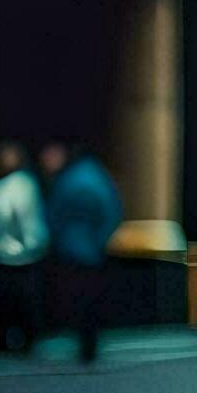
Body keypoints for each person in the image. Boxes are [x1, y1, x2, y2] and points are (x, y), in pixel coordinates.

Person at [42, 144, 122, 362]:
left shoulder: (67, 180)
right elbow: (112, 213)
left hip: (70, 250)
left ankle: (80, 341)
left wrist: (57, 241)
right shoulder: (98, 178)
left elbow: (53, 215)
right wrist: (101, 241)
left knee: (75, 297)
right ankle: (90, 344)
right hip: (93, 252)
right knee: (92, 299)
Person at [0, 141, 49, 351]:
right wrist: (36, 245)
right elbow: (30, 224)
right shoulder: (23, 185)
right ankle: (23, 341)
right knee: (22, 305)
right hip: (20, 256)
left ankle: (4, 341)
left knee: (4, 307)